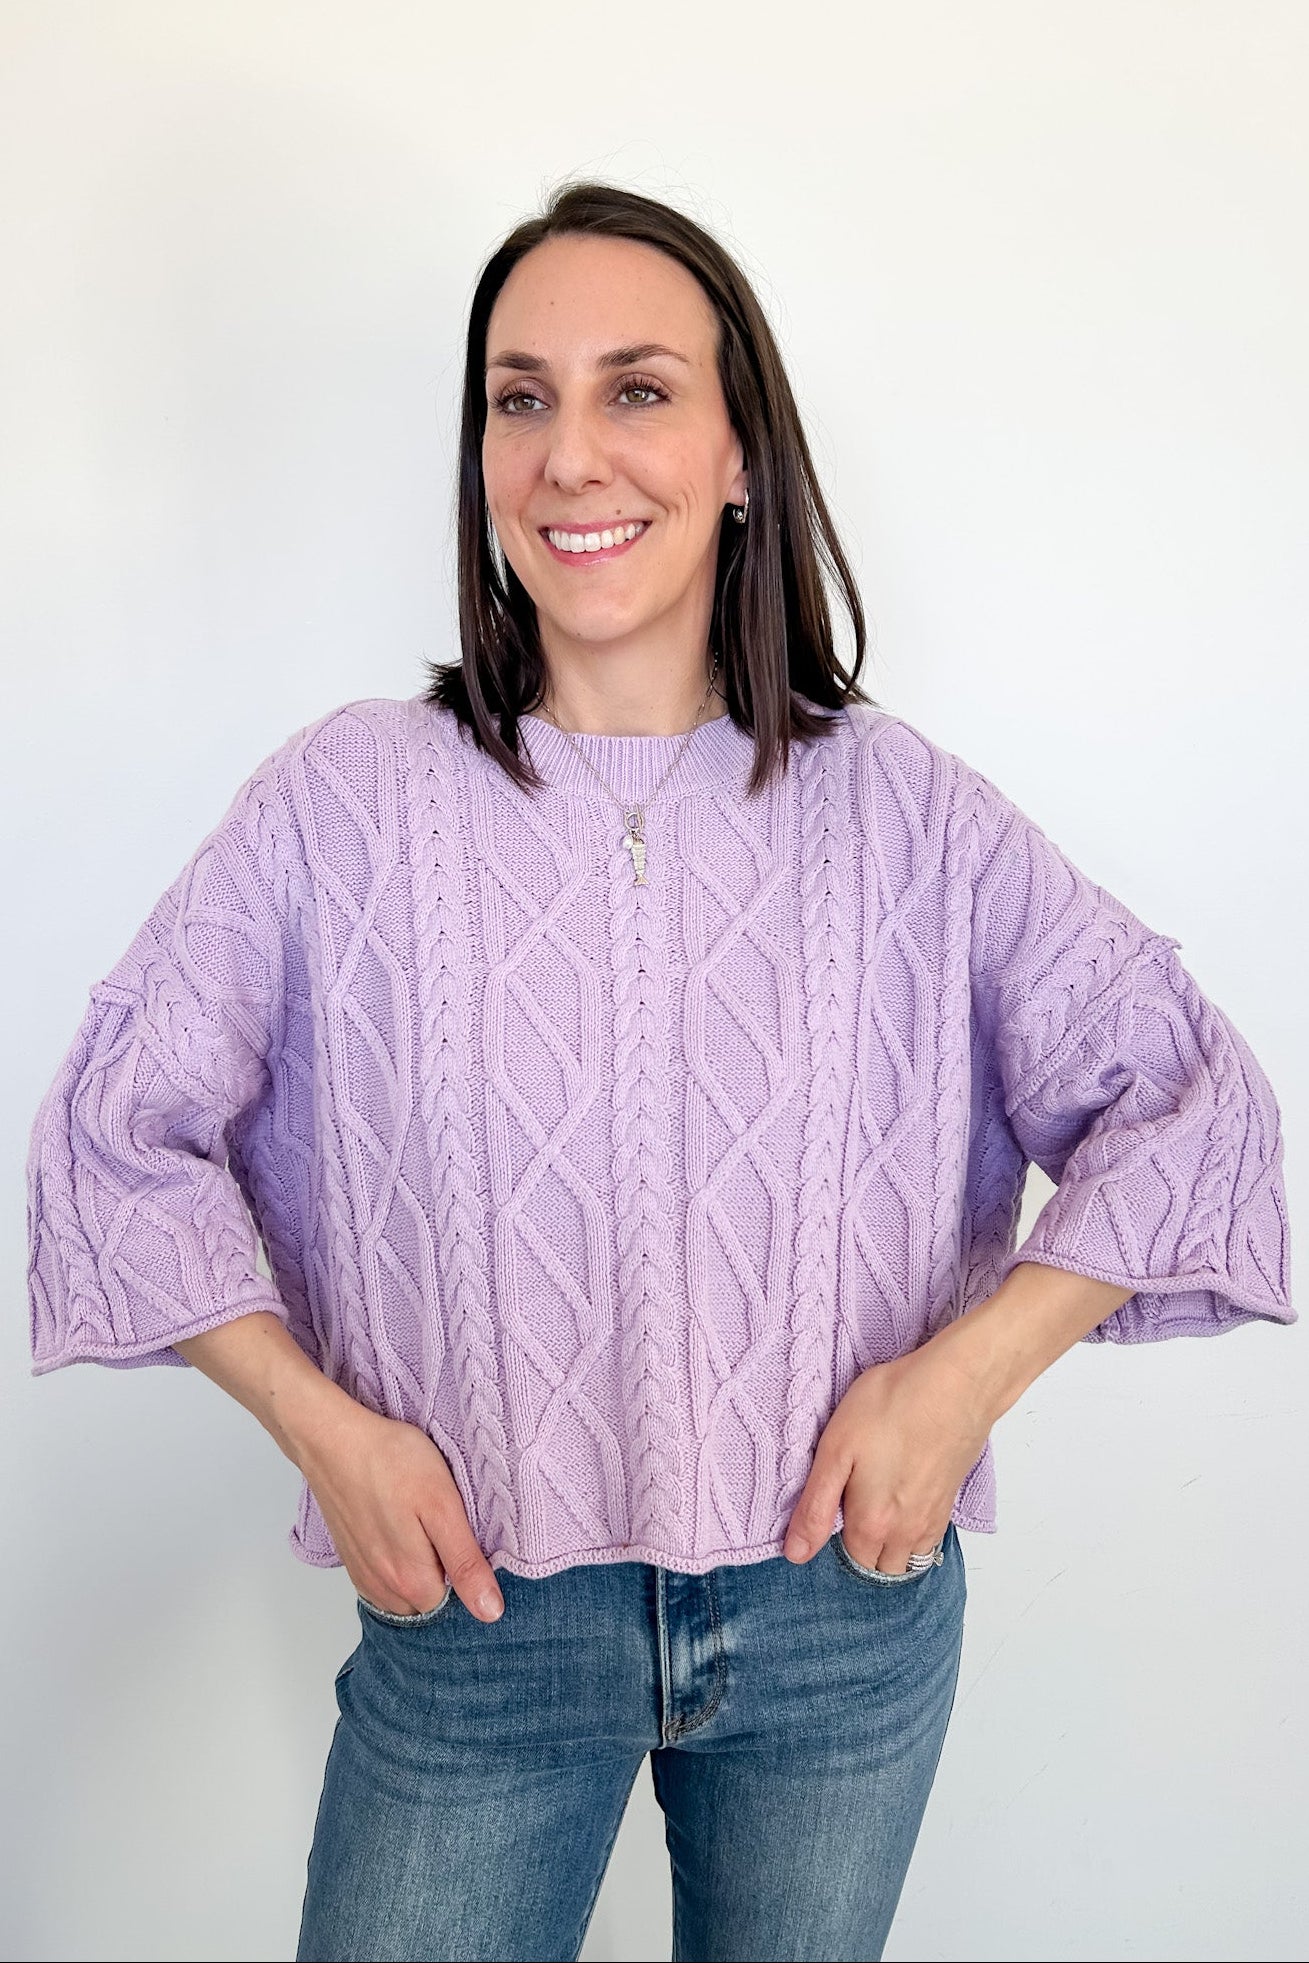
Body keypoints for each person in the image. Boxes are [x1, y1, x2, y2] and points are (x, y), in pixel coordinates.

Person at [26, 179, 1294, 1963]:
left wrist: (960, 1385)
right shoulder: (346, 804)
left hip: (838, 1614)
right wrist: (330, 1434)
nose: (568, 455)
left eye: (636, 390)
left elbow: (1195, 1103)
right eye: (517, 396)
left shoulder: (900, 814)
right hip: (476, 1627)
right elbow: (111, 1137)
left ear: (737, 453)